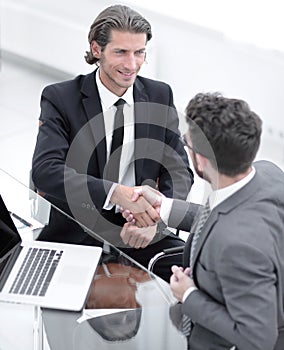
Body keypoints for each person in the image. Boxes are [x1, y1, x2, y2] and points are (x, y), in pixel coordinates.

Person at [31, 4, 193, 282]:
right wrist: (114, 192)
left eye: (139, 52)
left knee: (200, 275)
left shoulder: (159, 94)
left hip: (143, 232)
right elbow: (45, 171)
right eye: (121, 52)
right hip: (78, 234)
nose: (132, 65)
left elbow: (179, 171)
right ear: (97, 50)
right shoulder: (60, 98)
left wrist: (157, 221)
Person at [124, 93, 284, 350]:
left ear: (201, 159)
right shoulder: (267, 172)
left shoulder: (237, 245)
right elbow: (228, 213)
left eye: (187, 144)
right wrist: (165, 207)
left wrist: (188, 294)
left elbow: (257, 339)